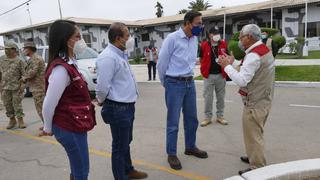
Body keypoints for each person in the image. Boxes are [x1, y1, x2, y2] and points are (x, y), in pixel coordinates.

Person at [39, 20, 96, 180]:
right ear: (66, 40)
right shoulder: (60, 69)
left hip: (77, 123)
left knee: (78, 167)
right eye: (77, 36)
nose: (81, 40)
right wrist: (48, 128)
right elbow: (48, 105)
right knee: (82, 171)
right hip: (68, 127)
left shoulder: (71, 63)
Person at [218, 24, 275, 175]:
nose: (239, 39)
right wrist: (233, 63)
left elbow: (242, 80)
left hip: (255, 102)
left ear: (249, 37)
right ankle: (253, 155)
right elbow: (250, 70)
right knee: (254, 133)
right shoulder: (261, 50)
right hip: (264, 98)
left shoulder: (253, 55)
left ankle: (257, 167)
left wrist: (226, 67)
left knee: (254, 134)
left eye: (241, 36)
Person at [95, 22, 148, 180]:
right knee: (119, 146)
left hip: (127, 107)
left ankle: (128, 170)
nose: (130, 39)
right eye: (127, 36)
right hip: (118, 108)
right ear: (118, 39)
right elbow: (102, 86)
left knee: (126, 142)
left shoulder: (120, 54)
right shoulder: (108, 57)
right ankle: (121, 176)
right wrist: (101, 100)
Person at [157, 11, 208, 170]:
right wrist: (166, 83)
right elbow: (162, 63)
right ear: (187, 23)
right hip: (174, 83)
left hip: (189, 82)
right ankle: (171, 153)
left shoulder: (194, 39)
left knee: (192, 119)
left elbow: (191, 61)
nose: (200, 26)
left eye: (201, 23)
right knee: (173, 121)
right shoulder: (172, 39)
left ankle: (190, 147)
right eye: (198, 23)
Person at [199, 26, 229, 127]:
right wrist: (203, 70)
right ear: (210, 35)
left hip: (221, 75)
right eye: (215, 33)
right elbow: (201, 58)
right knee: (208, 97)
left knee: (221, 97)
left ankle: (220, 116)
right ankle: (207, 118)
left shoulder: (223, 44)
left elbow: (228, 56)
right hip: (208, 76)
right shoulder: (203, 45)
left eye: (218, 33)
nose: (217, 35)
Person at [0, 42, 26, 129]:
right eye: (5, 49)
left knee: (17, 104)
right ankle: (12, 119)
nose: (6, 50)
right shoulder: (2, 59)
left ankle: (20, 120)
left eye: (8, 49)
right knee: (7, 104)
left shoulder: (20, 61)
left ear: (13, 49)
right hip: (4, 86)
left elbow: (24, 74)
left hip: (16, 87)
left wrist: (22, 84)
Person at [21, 39, 46, 126]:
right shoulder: (32, 59)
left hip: (39, 87)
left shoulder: (36, 59)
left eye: (25, 48)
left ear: (29, 49)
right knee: (41, 107)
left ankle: (47, 126)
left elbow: (32, 72)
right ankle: (46, 125)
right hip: (36, 86)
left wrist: (24, 78)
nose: (23, 50)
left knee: (41, 108)